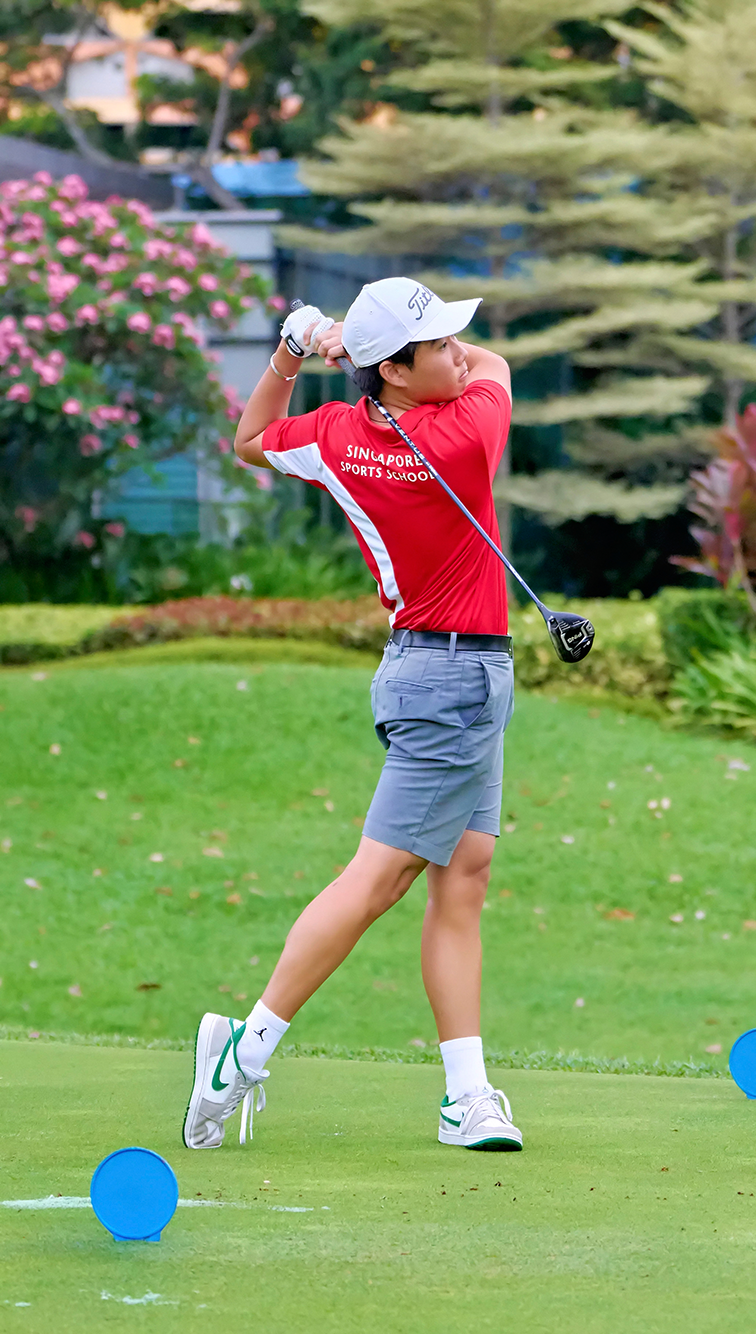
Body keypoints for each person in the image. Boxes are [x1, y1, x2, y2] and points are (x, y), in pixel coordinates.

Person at [182, 278, 522, 1153]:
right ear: (398, 371)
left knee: (464, 874)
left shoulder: (338, 435)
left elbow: (251, 438)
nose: (456, 352)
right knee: (379, 879)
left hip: (448, 674)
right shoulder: (466, 427)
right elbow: (499, 364)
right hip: (446, 681)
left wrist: (297, 349)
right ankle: (242, 1056)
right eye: (436, 344)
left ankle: (466, 1094)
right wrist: (346, 338)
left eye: (452, 339)